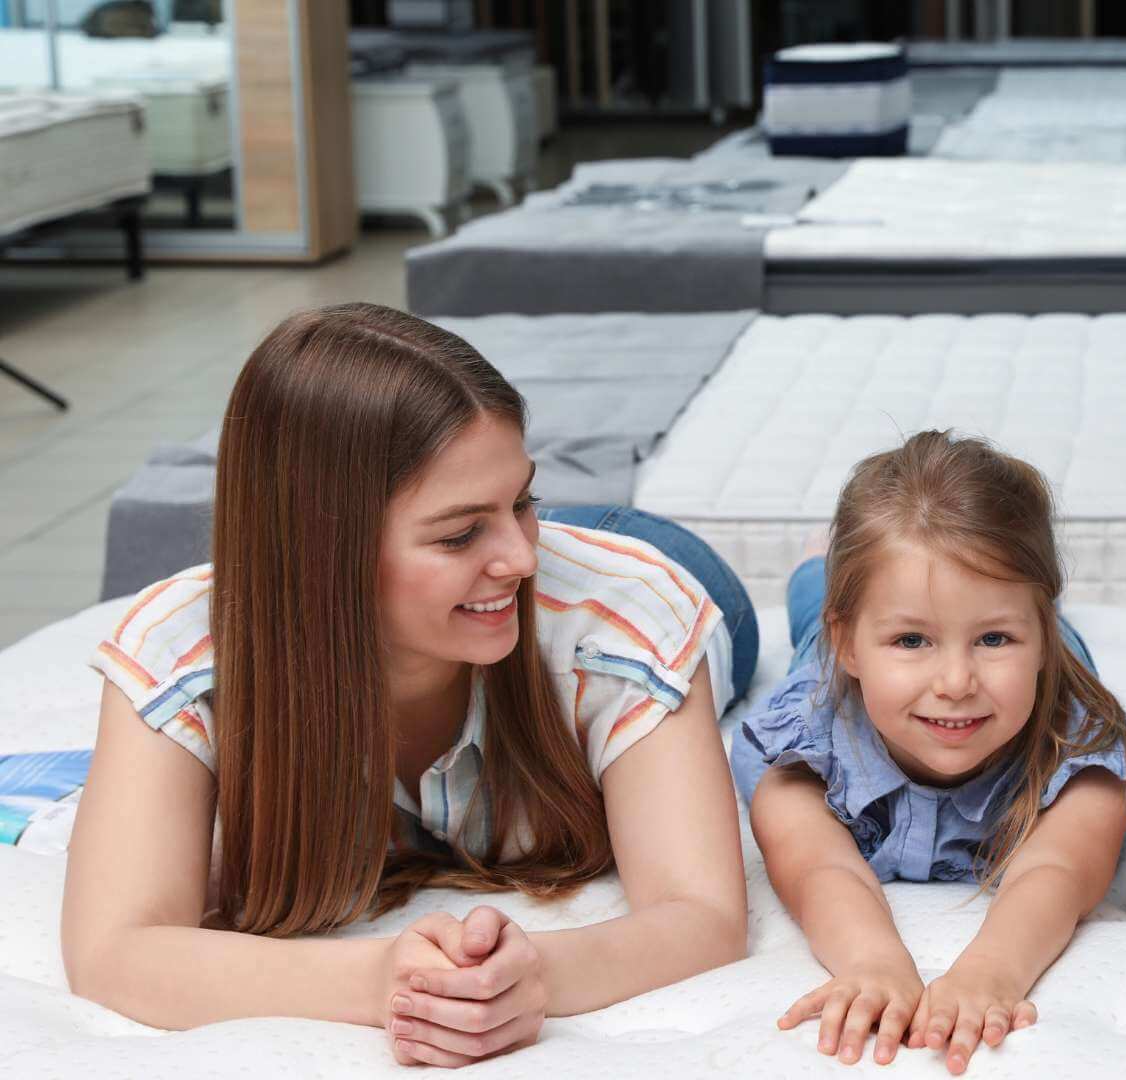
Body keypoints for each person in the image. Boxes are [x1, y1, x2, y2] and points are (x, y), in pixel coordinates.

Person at [63, 303, 758, 1068]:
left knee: (807, 606)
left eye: (523, 499)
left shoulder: (624, 613)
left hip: (646, 554)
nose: (519, 557)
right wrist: (383, 979)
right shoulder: (181, 655)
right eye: (459, 533)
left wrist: (535, 978)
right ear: (323, 549)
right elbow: (114, 951)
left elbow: (705, 914)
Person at [729, 431, 1126, 1075]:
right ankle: (816, 572)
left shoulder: (1082, 754)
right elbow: (818, 866)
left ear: (1036, 638)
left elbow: (1059, 871)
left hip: (1047, 662)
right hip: (826, 660)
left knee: (992, 612)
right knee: (811, 606)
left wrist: (991, 971)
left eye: (994, 638)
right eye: (912, 641)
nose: (956, 683)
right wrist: (872, 962)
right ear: (851, 647)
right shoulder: (803, 750)